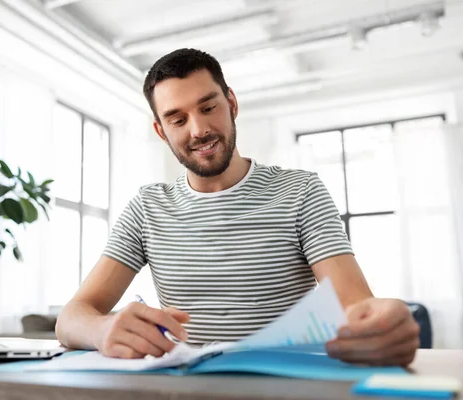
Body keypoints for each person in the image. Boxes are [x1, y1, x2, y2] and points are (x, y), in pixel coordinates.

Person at [56, 48, 420, 366]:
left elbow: (354, 306)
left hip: (286, 386)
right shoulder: (147, 207)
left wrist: (380, 325)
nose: (198, 130)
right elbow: (72, 317)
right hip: (188, 389)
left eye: (208, 107)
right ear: (161, 130)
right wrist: (102, 328)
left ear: (231, 103)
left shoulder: (301, 191)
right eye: (178, 119)